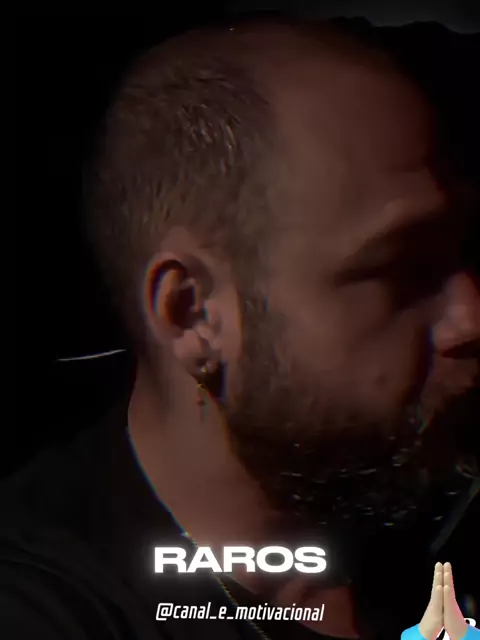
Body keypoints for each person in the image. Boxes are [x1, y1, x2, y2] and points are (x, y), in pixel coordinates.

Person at [4, 16, 479, 640]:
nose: (470, 319)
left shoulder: (415, 487)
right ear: (192, 314)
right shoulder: (46, 610)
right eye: (402, 271)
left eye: (466, 251)